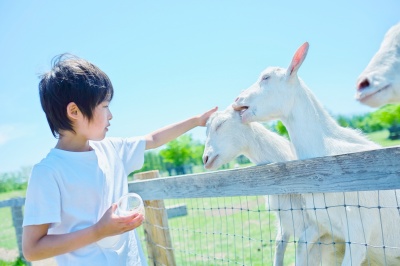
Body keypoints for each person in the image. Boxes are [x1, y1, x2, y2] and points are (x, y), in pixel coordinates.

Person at [22, 54, 218, 266]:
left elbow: (152, 139)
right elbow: (33, 249)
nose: (111, 115)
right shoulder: (48, 172)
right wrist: (99, 231)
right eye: (105, 106)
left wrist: (197, 121)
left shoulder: (112, 150)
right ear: (74, 111)